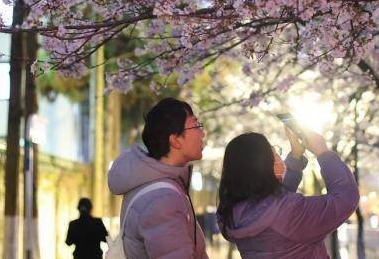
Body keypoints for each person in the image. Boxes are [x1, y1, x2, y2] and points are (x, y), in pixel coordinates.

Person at [217, 125, 359, 258]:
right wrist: (323, 153)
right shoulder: (289, 211)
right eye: (274, 153)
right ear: (263, 166)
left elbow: (271, 205)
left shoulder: (230, 213)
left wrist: (295, 159)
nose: (279, 157)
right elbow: (346, 198)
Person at [108, 97, 209, 258]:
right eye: (196, 125)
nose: (202, 134)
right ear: (175, 140)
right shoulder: (162, 200)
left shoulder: (156, 185)